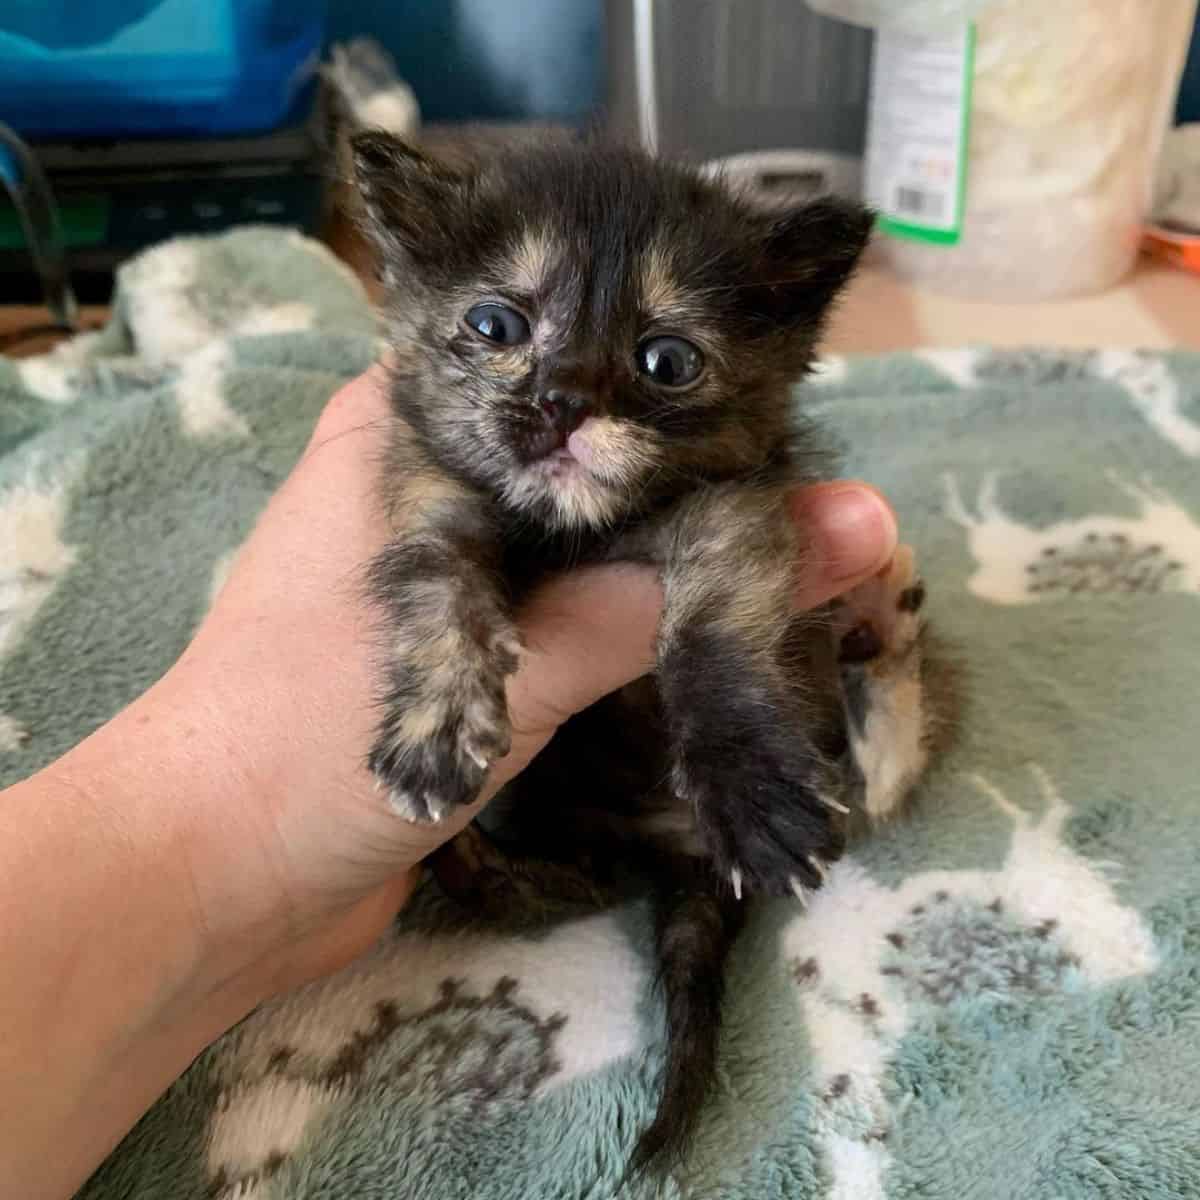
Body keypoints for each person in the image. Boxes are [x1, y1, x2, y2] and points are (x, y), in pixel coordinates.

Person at [0, 366, 899, 1200]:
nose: (564, 396)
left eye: (664, 361)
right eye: (501, 331)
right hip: (566, 788)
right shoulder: (446, 479)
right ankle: (501, 871)